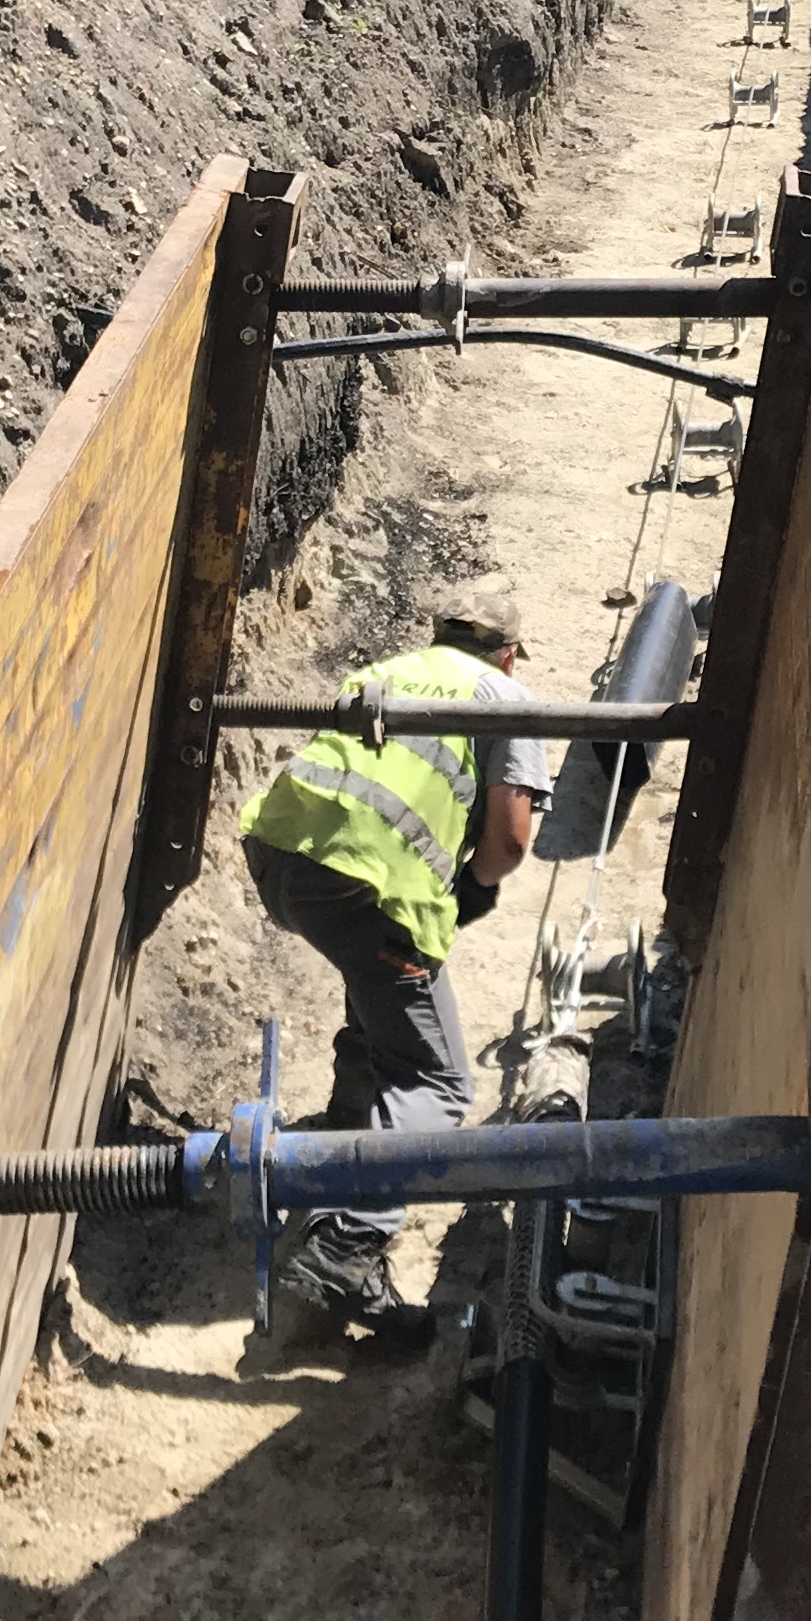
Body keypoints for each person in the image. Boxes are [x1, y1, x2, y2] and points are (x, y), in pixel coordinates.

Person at [238, 575, 550, 1344]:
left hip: (280, 858)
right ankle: (345, 1244)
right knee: (438, 1079)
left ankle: (348, 1130)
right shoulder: (507, 697)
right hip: (365, 888)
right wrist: (475, 886)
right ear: (508, 655)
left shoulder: (386, 670)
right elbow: (510, 840)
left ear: (440, 632)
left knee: (376, 989)